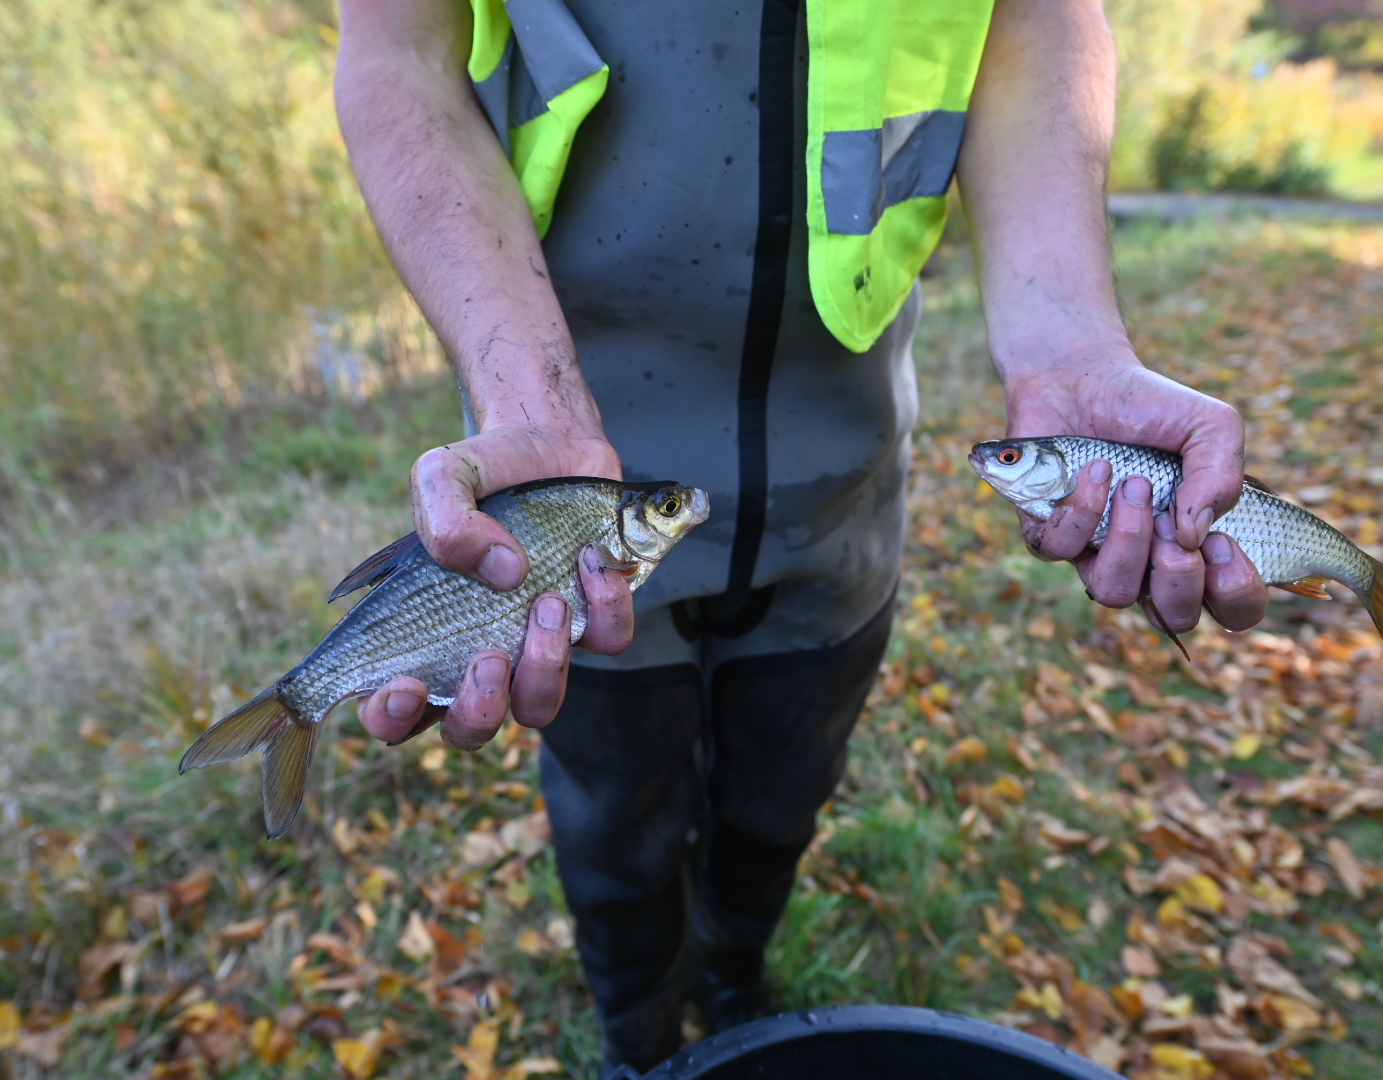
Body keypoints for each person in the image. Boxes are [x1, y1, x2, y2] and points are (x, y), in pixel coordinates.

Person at [333, 0, 1271, 1072]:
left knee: (784, 795)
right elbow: (397, 47)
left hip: (846, 498)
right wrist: (519, 388)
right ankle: (638, 1034)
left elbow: (1040, 14)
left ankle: (738, 984)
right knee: (612, 823)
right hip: (561, 478)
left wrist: (1070, 333)